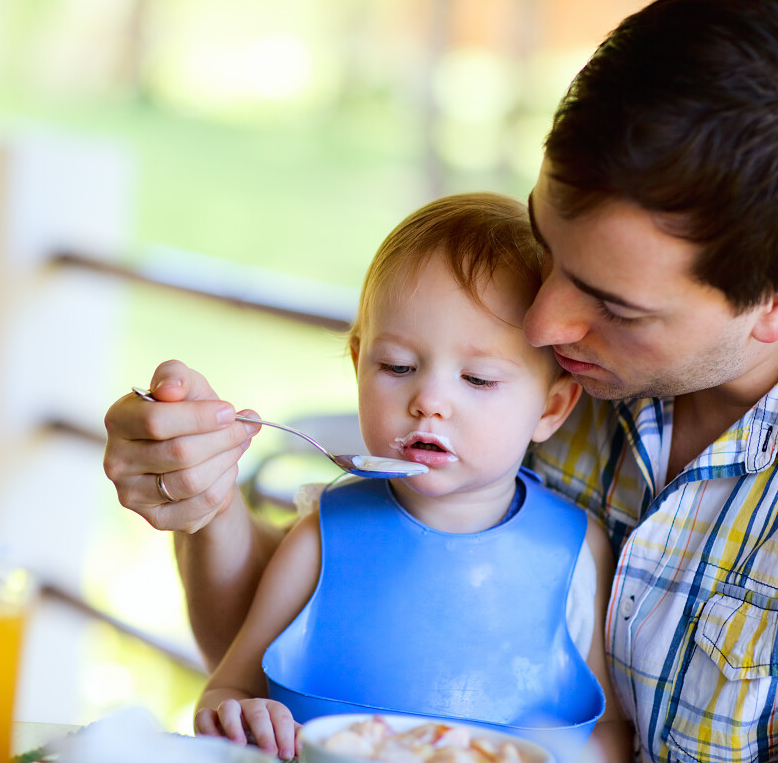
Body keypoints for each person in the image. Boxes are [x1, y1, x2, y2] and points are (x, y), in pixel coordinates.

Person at [102, 0, 778, 763]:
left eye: (613, 304)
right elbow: (318, 632)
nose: (542, 321)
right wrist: (202, 502)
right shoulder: (537, 346)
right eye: (547, 243)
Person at [190, 192, 625, 761]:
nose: (429, 401)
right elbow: (227, 690)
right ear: (358, 366)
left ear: (551, 408)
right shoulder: (322, 537)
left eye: (478, 378)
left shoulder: (577, 551)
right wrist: (240, 712)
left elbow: (608, 730)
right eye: (397, 366)